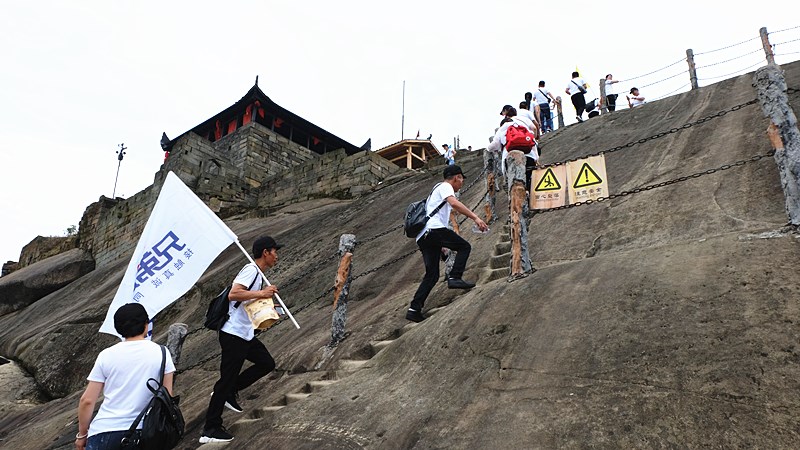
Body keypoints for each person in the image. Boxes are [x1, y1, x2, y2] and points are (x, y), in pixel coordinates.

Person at [200, 236, 282, 443]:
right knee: (225, 379)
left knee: (266, 363)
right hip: (233, 333)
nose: (277, 256)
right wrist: (263, 292)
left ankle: (230, 390)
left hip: (244, 334)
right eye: (275, 251)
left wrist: (266, 301)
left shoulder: (258, 275)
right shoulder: (251, 270)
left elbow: (247, 301)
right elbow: (234, 294)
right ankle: (210, 429)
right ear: (266, 252)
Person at [76, 303, 176, 450]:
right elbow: (167, 396)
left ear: (118, 328)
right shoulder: (161, 352)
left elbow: (87, 400)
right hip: (145, 432)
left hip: (104, 432)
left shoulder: (106, 355)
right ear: (145, 325)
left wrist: (82, 434)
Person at [406, 165, 488, 322]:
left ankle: (414, 309)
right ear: (457, 177)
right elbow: (455, 203)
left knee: (432, 275)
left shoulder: (436, 190)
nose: (462, 182)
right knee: (464, 246)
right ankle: (455, 277)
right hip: (434, 230)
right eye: (461, 178)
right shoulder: (445, 186)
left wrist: (441, 245)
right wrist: (476, 218)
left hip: (424, 236)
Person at [487, 108, 540, 190]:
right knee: (529, 182)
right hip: (529, 157)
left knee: (514, 185)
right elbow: (532, 140)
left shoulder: (503, 128)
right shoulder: (522, 127)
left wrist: (488, 149)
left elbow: (494, 145)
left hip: (511, 159)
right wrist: (536, 158)